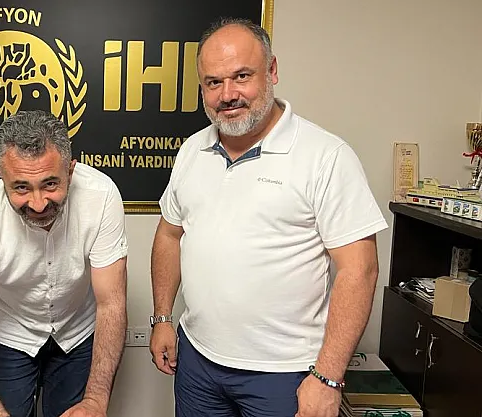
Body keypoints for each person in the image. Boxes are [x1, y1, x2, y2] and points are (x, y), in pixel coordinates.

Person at [149, 17, 388, 417]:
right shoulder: (192, 150)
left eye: (241, 76)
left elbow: (359, 270)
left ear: (272, 70)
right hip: (198, 363)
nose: (228, 94)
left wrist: (328, 377)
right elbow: (170, 235)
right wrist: (161, 317)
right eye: (213, 82)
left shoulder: (326, 156)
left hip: (285, 373)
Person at [0, 110, 128, 417]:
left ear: (70, 169)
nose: (38, 204)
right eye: (21, 188)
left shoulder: (102, 197)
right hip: (9, 333)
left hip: (77, 330)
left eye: (50, 184)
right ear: (0, 174)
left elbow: (111, 303)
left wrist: (96, 399)